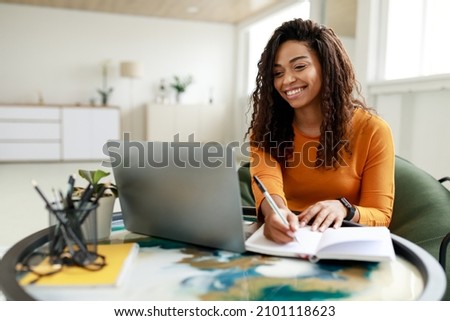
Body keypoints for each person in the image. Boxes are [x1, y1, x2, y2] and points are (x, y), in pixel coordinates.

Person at [246, 18, 395, 244]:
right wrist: (275, 213)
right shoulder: (266, 128)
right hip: (284, 240)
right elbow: (267, 180)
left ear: (327, 66)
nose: (287, 80)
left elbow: (381, 214)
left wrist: (344, 208)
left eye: (299, 66)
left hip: (343, 243)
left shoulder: (372, 130)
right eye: (277, 73)